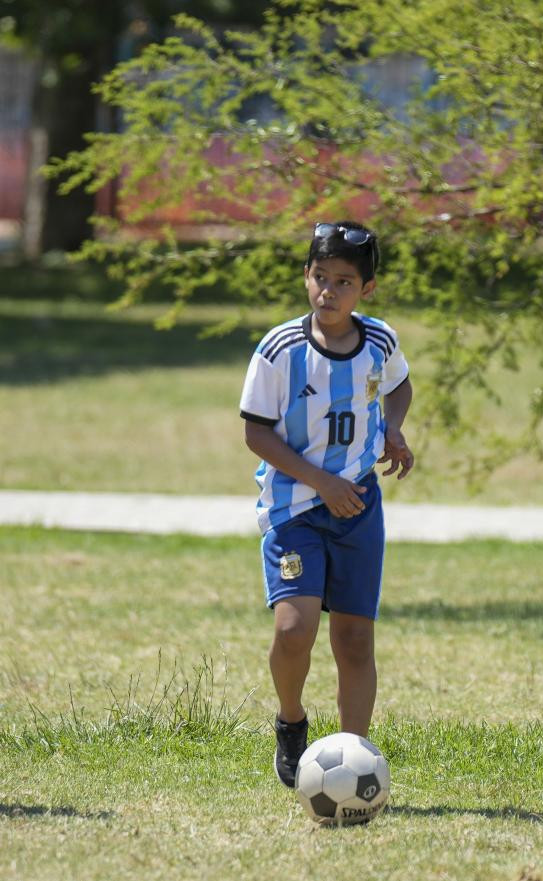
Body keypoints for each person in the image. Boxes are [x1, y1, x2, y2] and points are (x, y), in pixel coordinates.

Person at [238, 221, 414, 788]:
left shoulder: (379, 341)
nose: (329, 292)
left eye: (344, 281)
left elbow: (400, 384)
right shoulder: (280, 350)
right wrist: (321, 483)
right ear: (306, 278)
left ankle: (353, 755)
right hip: (296, 509)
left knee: (355, 638)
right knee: (294, 629)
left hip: (359, 506)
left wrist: (392, 429)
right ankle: (292, 724)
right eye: (320, 278)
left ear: (367, 288)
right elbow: (257, 434)